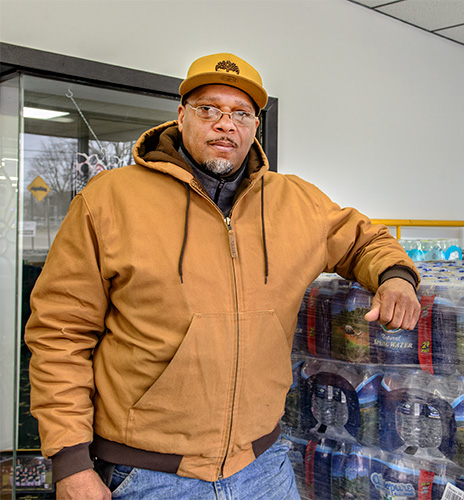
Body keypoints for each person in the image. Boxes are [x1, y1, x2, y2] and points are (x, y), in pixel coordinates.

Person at [25, 52, 421, 500]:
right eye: (208, 109)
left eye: (240, 113)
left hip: (264, 467)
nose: (224, 123)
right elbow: (60, 335)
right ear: (180, 116)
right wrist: (71, 465)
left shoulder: (296, 201)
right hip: (145, 474)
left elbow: (365, 238)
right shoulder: (109, 200)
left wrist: (394, 278)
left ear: (254, 126)